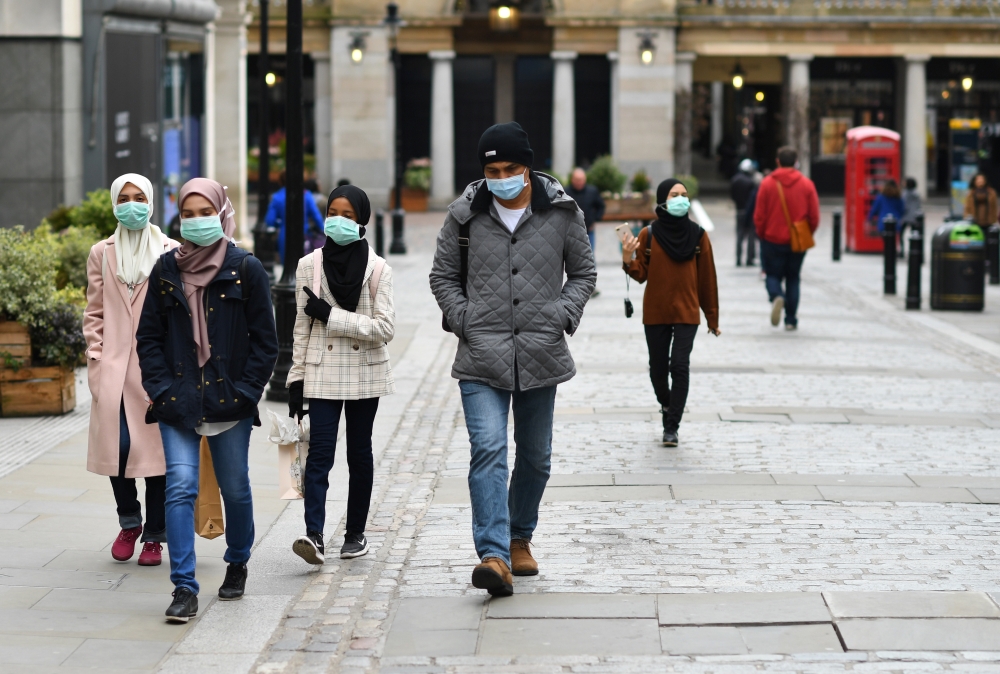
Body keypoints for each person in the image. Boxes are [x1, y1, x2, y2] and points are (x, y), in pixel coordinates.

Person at [429, 122, 596, 597]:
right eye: (491, 169)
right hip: (482, 354)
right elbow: (442, 276)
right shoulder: (463, 216)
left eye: (510, 169)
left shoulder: (563, 213)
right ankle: (494, 555)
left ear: (528, 168)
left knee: (536, 458)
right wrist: (464, 319)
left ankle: (519, 535)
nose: (500, 177)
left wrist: (561, 314)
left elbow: (583, 273)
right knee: (488, 450)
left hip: (541, 352)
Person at [137, 178, 278, 623]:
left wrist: (245, 392)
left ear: (221, 213)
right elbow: (148, 338)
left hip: (228, 401)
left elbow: (265, 343)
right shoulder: (165, 269)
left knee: (235, 487)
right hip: (177, 401)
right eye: (188, 213)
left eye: (204, 212)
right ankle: (184, 587)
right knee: (180, 487)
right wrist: (160, 391)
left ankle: (237, 561)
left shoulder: (245, 267)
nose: (195, 221)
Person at [286, 185, 395, 565]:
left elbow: (385, 328)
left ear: (361, 219)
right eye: (333, 211)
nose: (338, 220)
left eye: (348, 215)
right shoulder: (308, 265)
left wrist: (331, 316)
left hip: (365, 369)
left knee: (359, 453)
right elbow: (301, 329)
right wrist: (295, 381)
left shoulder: (379, 268)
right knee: (319, 453)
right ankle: (313, 534)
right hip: (321, 370)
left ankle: (355, 534)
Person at [84, 174, 179, 568]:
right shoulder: (101, 252)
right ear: (113, 203)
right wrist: (96, 358)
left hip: (157, 371)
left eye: (139, 197)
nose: (131, 204)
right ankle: (129, 522)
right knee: (117, 451)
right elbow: (94, 312)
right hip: (114, 371)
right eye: (123, 198)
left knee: (156, 457)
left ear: (152, 201)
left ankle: (155, 537)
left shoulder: (171, 250)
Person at [621, 179, 719, 447]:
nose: (681, 199)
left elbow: (707, 278)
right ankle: (668, 404)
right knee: (657, 369)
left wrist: (712, 317)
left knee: (679, 364)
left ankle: (671, 426)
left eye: (684, 195)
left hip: (687, 311)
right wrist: (627, 257)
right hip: (656, 310)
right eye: (675, 195)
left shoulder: (698, 235)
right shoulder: (648, 235)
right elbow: (640, 274)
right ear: (663, 199)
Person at [754, 146, 820, 331]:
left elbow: (759, 215)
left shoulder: (767, 184)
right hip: (797, 241)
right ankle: (791, 319)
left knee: (772, 274)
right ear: (796, 162)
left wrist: (762, 234)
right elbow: (814, 216)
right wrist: (807, 233)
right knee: (793, 278)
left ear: (778, 161)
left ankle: (776, 296)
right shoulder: (807, 184)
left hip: (772, 238)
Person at [565, 167, 606, 297]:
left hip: (588, 231)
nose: (579, 182)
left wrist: (595, 219)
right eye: (577, 180)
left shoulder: (592, 191)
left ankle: (591, 286)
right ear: (572, 180)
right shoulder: (565, 191)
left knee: (589, 258)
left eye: (581, 180)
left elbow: (601, 206)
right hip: (569, 231)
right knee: (568, 258)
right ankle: (570, 287)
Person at [266, 170, 326, 259]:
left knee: (286, 265)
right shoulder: (306, 195)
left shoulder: (277, 196)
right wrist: (322, 231)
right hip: (304, 234)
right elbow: (316, 217)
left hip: (285, 235)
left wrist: (280, 223)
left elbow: (270, 220)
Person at [730, 159, 758, 266]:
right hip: (749, 212)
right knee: (751, 236)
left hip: (739, 210)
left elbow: (732, 195)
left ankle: (738, 259)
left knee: (740, 235)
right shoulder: (750, 182)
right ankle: (749, 259)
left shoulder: (734, 180)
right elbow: (753, 199)